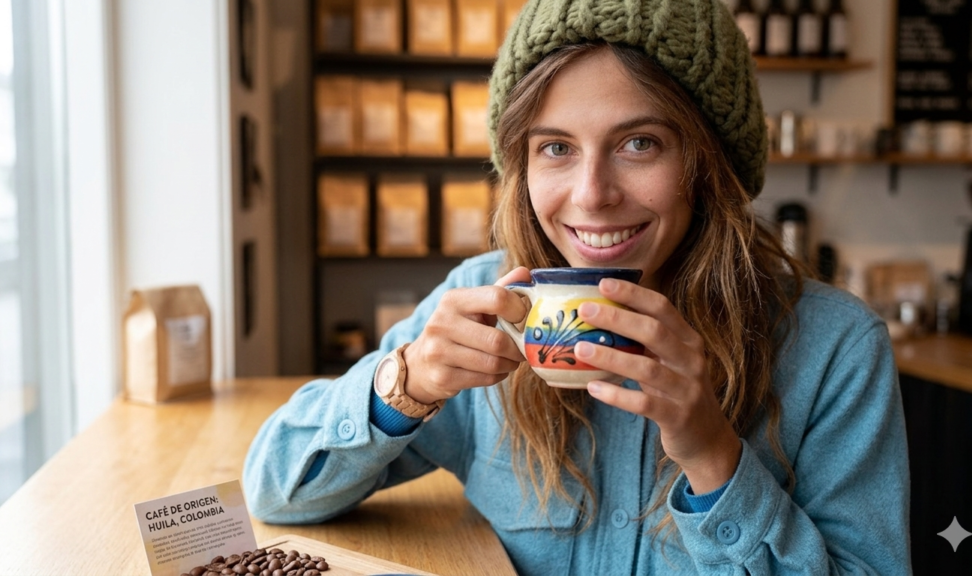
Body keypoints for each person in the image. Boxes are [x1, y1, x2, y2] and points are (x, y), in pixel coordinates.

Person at [244, 0, 912, 573]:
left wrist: (713, 455)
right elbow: (275, 490)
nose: (591, 196)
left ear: (710, 163)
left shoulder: (833, 349)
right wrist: (409, 382)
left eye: (639, 144)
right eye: (556, 148)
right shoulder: (488, 298)